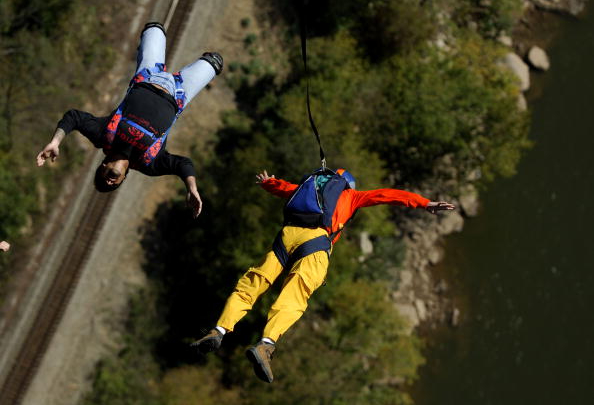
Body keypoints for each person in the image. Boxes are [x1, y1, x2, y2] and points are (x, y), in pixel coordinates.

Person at [192, 168, 455, 382]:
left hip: (287, 235)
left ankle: (219, 330)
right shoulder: (352, 197)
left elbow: (283, 188)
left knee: (252, 284)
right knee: (294, 296)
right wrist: (425, 203)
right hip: (316, 243)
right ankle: (266, 344)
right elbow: (387, 195)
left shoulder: (306, 190)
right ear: (348, 186)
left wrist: (268, 182)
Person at [36, 22, 223, 218]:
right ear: (124, 178)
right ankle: (209, 61)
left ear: (103, 166)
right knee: (215, 61)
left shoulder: (102, 136)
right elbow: (182, 164)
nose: (109, 182)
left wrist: (55, 141)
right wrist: (192, 188)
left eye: (103, 179)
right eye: (112, 185)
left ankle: (149, 39)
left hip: (148, 75)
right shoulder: (149, 164)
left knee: (154, 28)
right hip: (180, 92)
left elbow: (73, 117)